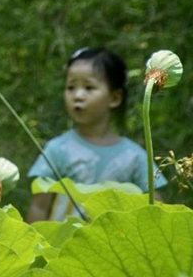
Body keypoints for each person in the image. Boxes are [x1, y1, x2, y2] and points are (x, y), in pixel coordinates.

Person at [25, 47, 167, 222]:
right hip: (60, 248)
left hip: (114, 247)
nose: (78, 95)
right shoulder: (57, 149)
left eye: (89, 87)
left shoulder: (135, 157)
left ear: (114, 98)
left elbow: (157, 210)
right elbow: (39, 207)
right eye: (71, 87)